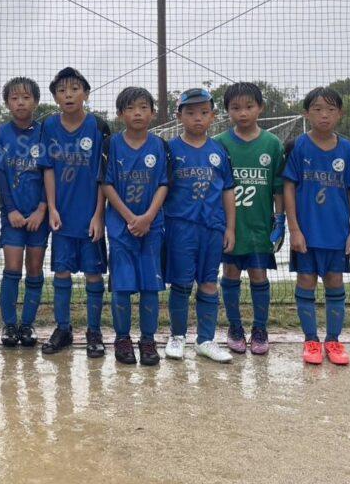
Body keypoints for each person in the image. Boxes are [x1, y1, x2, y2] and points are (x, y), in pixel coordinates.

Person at [283, 87, 350, 366]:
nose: (324, 115)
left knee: (335, 282)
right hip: (307, 233)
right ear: (307, 114)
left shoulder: (348, 149)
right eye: (317, 109)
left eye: (330, 109)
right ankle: (311, 341)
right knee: (305, 282)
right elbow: (289, 187)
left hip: (337, 234)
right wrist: (294, 229)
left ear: (340, 114)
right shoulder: (298, 146)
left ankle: (333, 341)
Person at [38, 67, 110, 358]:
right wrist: (52, 208)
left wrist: (99, 215)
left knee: (93, 274)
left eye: (74, 89)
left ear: (86, 94)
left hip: (90, 216)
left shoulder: (99, 127)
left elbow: (104, 176)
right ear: (55, 97)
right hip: (62, 215)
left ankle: (94, 331)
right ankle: (63, 328)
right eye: (62, 91)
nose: (68, 95)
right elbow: (48, 169)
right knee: (61, 272)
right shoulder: (48, 126)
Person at [163, 88, 236, 363]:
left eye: (204, 113)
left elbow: (228, 190)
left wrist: (230, 228)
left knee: (208, 282)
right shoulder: (170, 149)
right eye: (191, 113)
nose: (198, 118)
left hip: (212, 227)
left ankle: (206, 340)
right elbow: (161, 190)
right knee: (181, 284)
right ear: (179, 116)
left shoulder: (219, 150)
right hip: (180, 227)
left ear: (213, 116)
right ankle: (177, 336)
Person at [101, 87, 170, 367]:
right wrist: (131, 217)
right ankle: (122, 339)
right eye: (130, 108)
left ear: (152, 113)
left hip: (152, 227)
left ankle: (148, 340)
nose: (137, 113)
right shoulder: (111, 145)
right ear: (120, 114)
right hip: (121, 228)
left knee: (150, 286)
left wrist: (148, 217)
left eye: (143, 107)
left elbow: (164, 183)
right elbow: (106, 184)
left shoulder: (160, 145)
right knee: (122, 285)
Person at [215, 82, 285, 355]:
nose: (242, 113)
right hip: (230, 226)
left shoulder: (272, 143)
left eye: (249, 107)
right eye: (235, 108)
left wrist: (280, 220)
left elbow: (279, 188)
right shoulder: (220, 143)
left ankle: (260, 329)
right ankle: (235, 327)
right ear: (227, 111)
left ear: (260, 108)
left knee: (258, 275)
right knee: (230, 273)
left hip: (259, 225)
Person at [0, 77, 48, 348]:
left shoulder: (45, 132)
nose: (20, 103)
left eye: (26, 97)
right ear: (7, 103)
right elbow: (1, 175)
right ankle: (9, 325)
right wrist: (11, 210)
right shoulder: (1, 133)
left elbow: (50, 173)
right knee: (12, 268)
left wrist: (42, 209)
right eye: (14, 98)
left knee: (34, 267)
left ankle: (27, 325)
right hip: (12, 215)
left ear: (35, 101)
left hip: (39, 214)